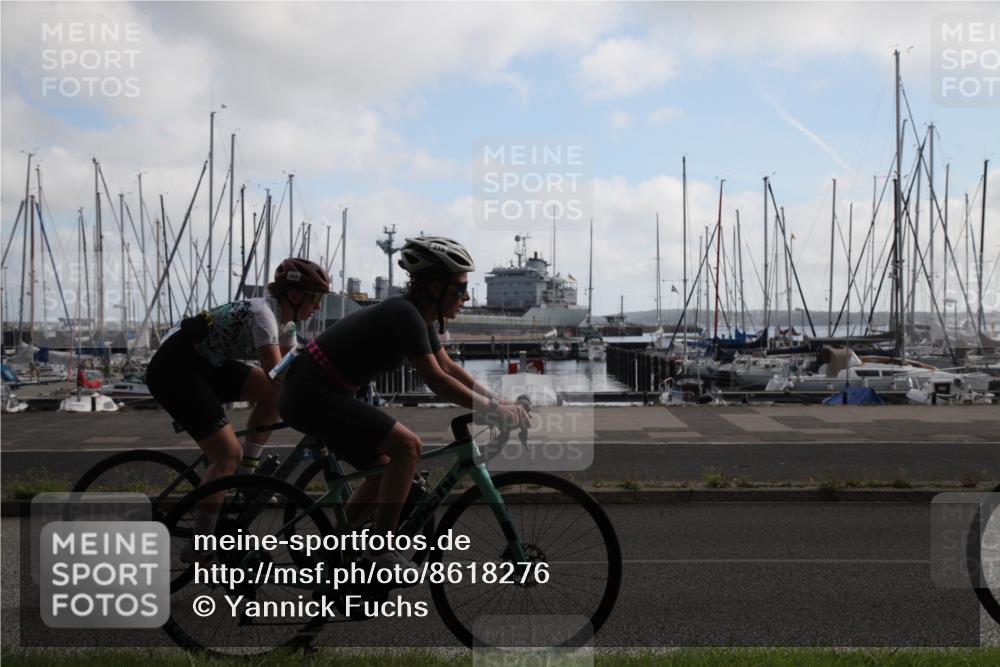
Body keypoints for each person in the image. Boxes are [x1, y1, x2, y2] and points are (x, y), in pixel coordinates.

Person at [279, 236, 527, 572]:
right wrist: (494, 411)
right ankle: (379, 552)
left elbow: (449, 368)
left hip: (322, 392)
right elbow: (436, 380)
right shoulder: (404, 313)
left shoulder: (417, 317)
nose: (466, 298)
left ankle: (334, 553)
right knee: (407, 446)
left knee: (384, 470)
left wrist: (499, 401)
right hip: (312, 393)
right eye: (460, 289)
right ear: (435, 289)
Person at [145, 258, 330, 557]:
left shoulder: (286, 323)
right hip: (174, 369)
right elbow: (276, 372)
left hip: (207, 364)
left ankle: (246, 475)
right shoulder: (264, 316)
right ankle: (200, 547)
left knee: (272, 397)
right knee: (225, 455)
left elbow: (291, 372)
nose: (318, 307)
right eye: (316, 298)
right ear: (295, 296)